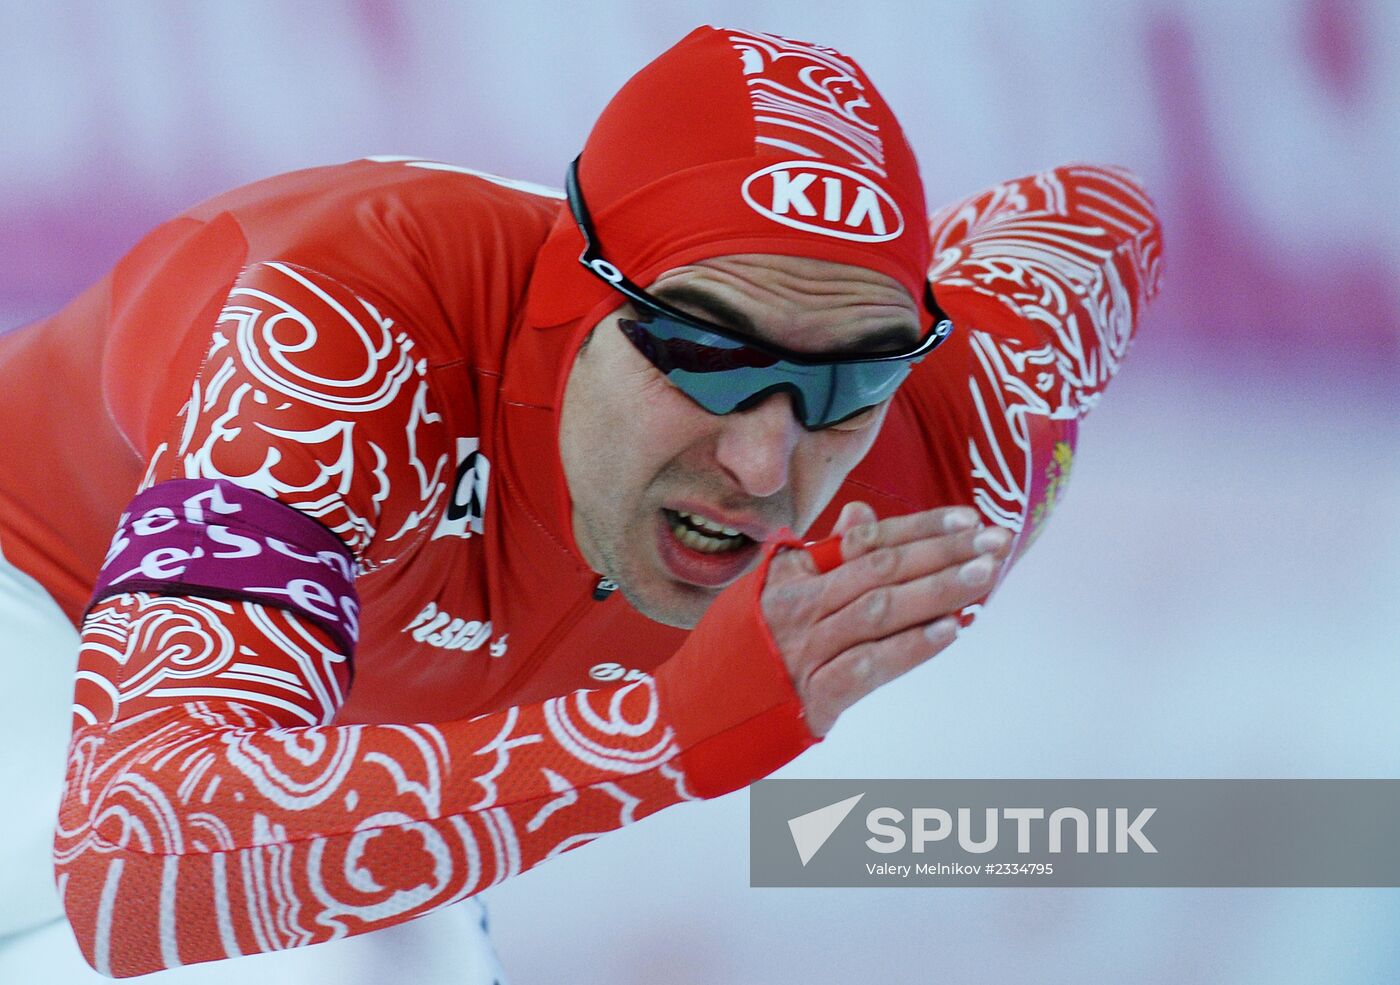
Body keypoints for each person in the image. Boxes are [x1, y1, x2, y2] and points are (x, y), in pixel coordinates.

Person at [0, 25, 1162, 983]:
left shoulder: (935, 469)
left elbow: (1102, 222)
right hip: (42, 593)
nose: (767, 459)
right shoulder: (336, 349)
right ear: (572, 305)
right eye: (704, 352)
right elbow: (139, 862)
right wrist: (685, 727)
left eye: (843, 382)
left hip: (318, 718)